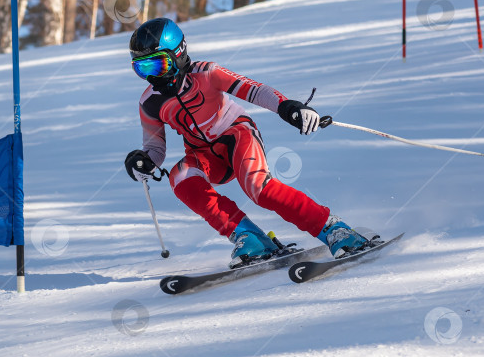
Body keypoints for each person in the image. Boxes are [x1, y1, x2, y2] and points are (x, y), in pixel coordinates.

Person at [124, 17, 368, 268]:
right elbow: (155, 149)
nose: (153, 77)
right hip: (203, 154)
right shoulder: (150, 102)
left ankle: (334, 229)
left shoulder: (207, 73)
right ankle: (250, 236)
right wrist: (144, 161)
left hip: (237, 136)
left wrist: (287, 107)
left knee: (258, 188)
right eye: (143, 69)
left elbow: (255, 90)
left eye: (158, 65)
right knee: (180, 177)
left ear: (178, 53)